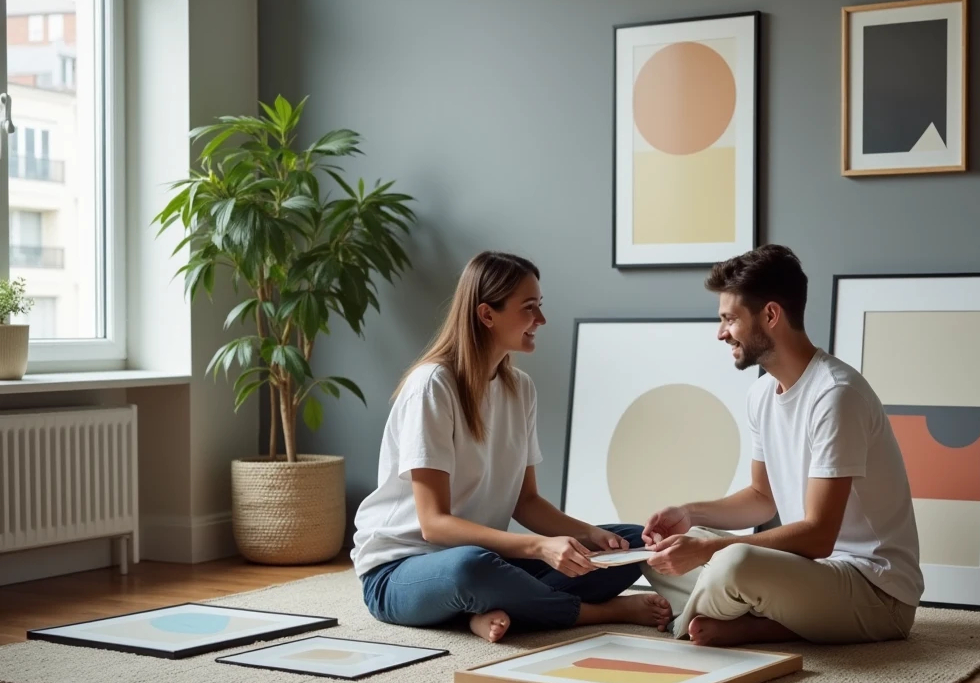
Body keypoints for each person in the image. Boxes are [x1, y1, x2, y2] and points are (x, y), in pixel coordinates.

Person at [351, 251, 671, 643]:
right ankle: (592, 614)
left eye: (540, 306)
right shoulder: (432, 385)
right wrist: (538, 547)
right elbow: (433, 524)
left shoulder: (519, 389)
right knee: (470, 570)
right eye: (529, 308)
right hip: (401, 570)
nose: (541, 320)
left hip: (492, 560)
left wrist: (588, 534)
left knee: (633, 540)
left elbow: (527, 502)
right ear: (487, 314)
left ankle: (482, 611)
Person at [640, 244, 923, 647]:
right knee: (657, 550)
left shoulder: (835, 395)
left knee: (732, 561)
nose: (721, 333)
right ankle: (762, 620)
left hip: (874, 589)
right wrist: (688, 514)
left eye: (729, 319)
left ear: (770, 315)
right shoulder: (761, 394)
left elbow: (818, 537)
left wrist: (708, 551)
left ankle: (702, 619)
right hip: (808, 574)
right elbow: (761, 497)